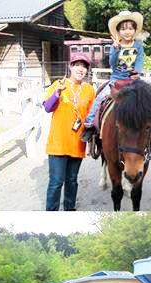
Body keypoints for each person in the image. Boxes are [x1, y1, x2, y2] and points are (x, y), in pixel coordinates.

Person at [81, 10, 147, 141]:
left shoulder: (138, 46)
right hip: (116, 79)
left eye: (130, 28)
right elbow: (112, 63)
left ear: (135, 30)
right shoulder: (114, 46)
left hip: (132, 79)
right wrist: (116, 49)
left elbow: (139, 60)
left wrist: (137, 72)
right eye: (123, 29)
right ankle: (89, 124)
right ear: (118, 32)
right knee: (100, 98)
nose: (127, 31)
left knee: (150, 99)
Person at [42, 52, 96, 211]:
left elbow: (92, 115)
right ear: (70, 66)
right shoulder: (58, 84)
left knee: (72, 180)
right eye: (77, 65)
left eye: (84, 66)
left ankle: (69, 210)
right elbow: (47, 108)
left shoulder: (89, 90)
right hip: (58, 142)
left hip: (78, 142)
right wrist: (57, 94)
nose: (81, 69)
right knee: (56, 181)